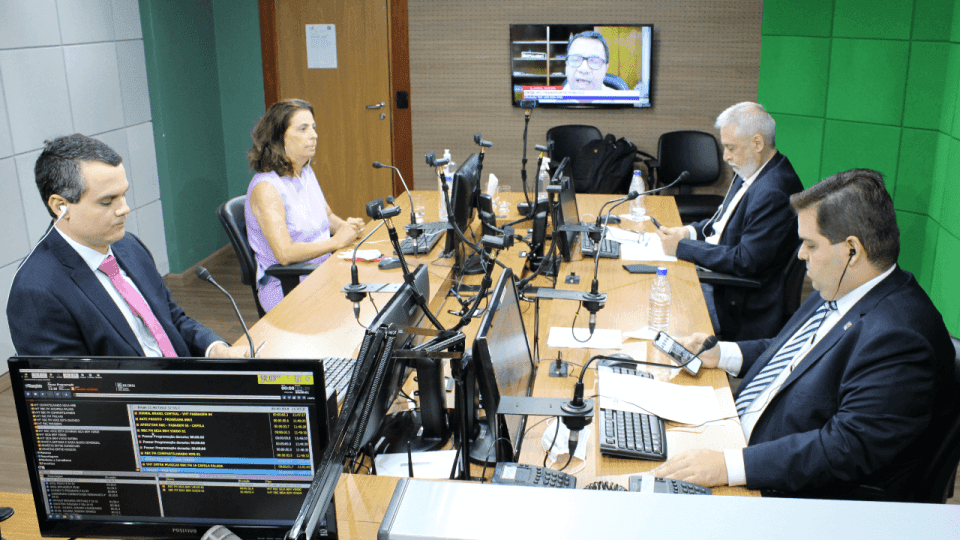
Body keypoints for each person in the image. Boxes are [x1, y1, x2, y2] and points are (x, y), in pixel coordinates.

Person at [650, 169, 956, 500]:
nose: (800, 255)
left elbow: (845, 447)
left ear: (851, 250)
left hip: (790, 489)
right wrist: (722, 354)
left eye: (810, 244)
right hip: (738, 439)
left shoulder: (899, 337)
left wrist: (728, 465)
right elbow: (791, 352)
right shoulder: (844, 286)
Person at [7, 134, 247, 358]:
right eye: (107, 201)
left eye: (123, 195)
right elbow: (74, 393)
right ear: (60, 206)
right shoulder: (36, 290)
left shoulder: (129, 245)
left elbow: (170, 318)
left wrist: (215, 349)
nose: (124, 209)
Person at [655, 102, 803, 340]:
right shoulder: (751, 169)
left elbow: (745, 262)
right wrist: (688, 233)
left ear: (757, 143)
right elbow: (721, 223)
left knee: (656, 300)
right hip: (723, 282)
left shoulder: (774, 190)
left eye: (731, 148)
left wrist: (682, 248)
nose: (725, 157)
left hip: (737, 302)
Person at [245, 99, 365, 312]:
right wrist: (336, 242)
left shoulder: (305, 172)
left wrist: (346, 227)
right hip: (287, 286)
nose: (314, 135)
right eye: (303, 129)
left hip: (320, 270)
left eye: (313, 127)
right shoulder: (266, 188)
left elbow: (327, 216)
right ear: (279, 137)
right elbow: (284, 253)